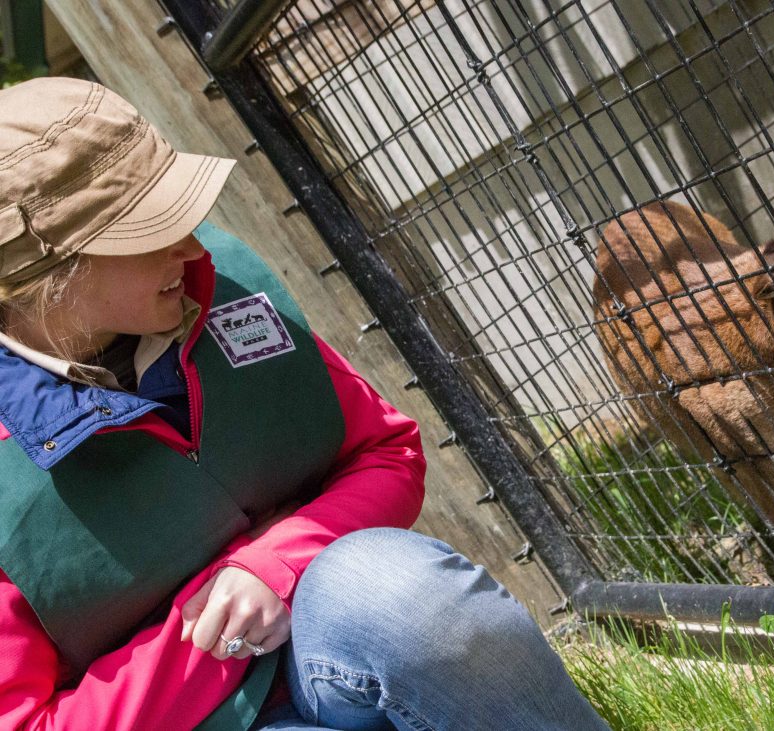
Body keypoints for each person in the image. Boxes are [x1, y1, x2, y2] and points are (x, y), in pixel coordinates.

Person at [0, 77, 610, 731]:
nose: (193, 245)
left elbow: (387, 447)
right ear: (48, 278)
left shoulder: (217, 291)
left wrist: (279, 560)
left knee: (410, 600)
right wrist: (217, 633)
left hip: (327, 630)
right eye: (151, 229)